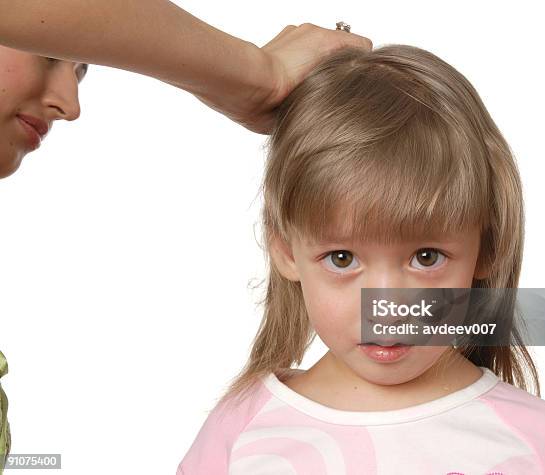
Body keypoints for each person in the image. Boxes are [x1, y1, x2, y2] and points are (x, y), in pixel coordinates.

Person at [176, 44, 545, 474]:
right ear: (286, 251)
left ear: (486, 249)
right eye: (342, 258)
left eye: (425, 256)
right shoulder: (241, 432)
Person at [0, 4, 372, 471]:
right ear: (284, 249)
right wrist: (260, 73)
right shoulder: (250, 428)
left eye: (426, 255)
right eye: (51, 54)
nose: (71, 106)